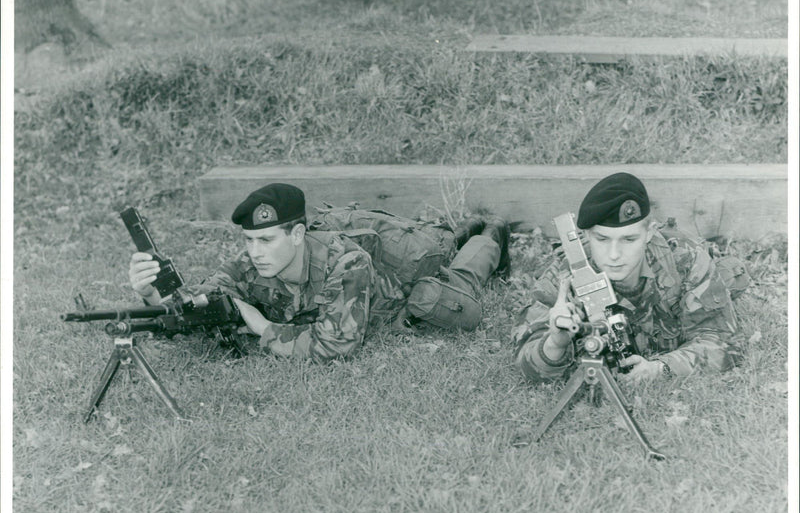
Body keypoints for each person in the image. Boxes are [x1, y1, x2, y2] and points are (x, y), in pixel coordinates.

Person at [129, 182, 510, 362]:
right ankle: (469, 228)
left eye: (266, 240)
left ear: (297, 234)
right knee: (449, 242)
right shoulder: (251, 263)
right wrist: (152, 294)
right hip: (370, 257)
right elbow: (200, 302)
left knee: (457, 272)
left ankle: (493, 229)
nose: (254, 253)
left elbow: (336, 345)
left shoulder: (346, 262)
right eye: (249, 240)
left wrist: (261, 326)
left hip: (406, 270)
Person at [512, 172, 747, 383]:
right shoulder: (568, 275)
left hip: (688, 272)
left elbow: (724, 343)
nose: (614, 255)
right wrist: (555, 342)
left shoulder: (686, 260)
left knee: (732, 277)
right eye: (602, 240)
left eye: (629, 239)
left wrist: (662, 368)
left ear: (649, 233)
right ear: (586, 236)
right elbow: (526, 360)